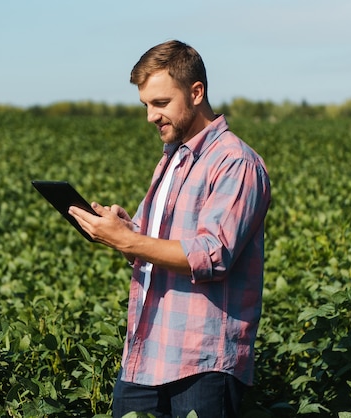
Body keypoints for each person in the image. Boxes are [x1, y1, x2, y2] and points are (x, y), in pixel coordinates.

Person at [69, 40, 271, 418]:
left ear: (196, 93)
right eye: (145, 105)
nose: (150, 116)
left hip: (203, 361)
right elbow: (151, 244)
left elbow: (212, 254)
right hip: (147, 353)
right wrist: (122, 229)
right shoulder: (173, 159)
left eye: (160, 103)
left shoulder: (235, 163)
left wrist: (129, 239)